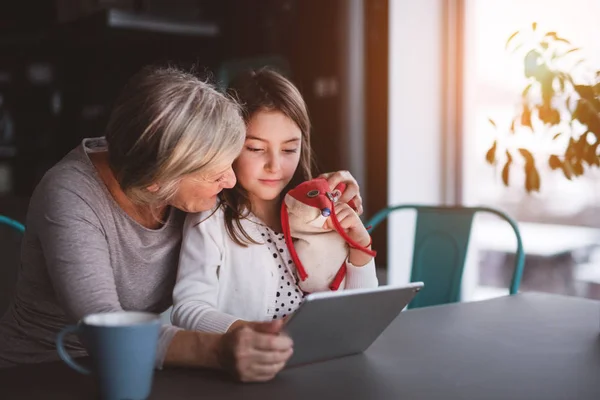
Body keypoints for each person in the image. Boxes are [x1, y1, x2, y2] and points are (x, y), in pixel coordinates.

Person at [171, 68, 377, 335]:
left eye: (290, 149)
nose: (275, 166)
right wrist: (262, 332)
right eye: (256, 149)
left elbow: (357, 319)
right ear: (229, 145)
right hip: (255, 365)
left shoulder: (317, 210)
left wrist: (359, 250)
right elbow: (188, 311)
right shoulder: (211, 219)